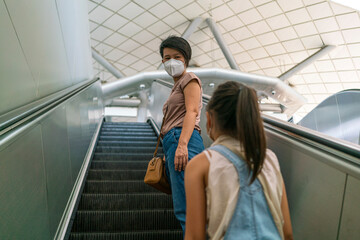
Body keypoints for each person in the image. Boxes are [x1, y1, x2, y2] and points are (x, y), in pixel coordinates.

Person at [184, 81, 293, 240]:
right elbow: (287, 233)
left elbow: (194, 237)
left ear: (209, 118)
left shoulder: (201, 165)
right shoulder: (269, 158)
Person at [159, 36, 205, 234]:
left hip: (183, 139)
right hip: (174, 141)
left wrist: (182, 145)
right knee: (184, 204)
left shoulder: (189, 79)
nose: (171, 61)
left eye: (176, 56)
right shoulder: (175, 87)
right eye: (166, 57)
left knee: (187, 207)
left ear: (185, 59)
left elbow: (192, 111)